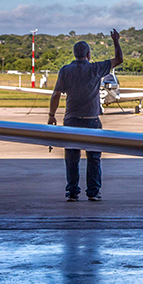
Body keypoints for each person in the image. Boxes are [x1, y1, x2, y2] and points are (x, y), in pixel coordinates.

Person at [48, 30, 123, 201]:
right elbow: (119, 60)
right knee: (94, 158)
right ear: (88, 54)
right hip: (91, 120)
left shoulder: (65, 70)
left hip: (71, 120)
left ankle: (72, 192)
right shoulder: (96, 68)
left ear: (75, 54)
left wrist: (51, 115)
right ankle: (93, 192)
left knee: (72, 159)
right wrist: (116, 41)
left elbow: (56, 95)